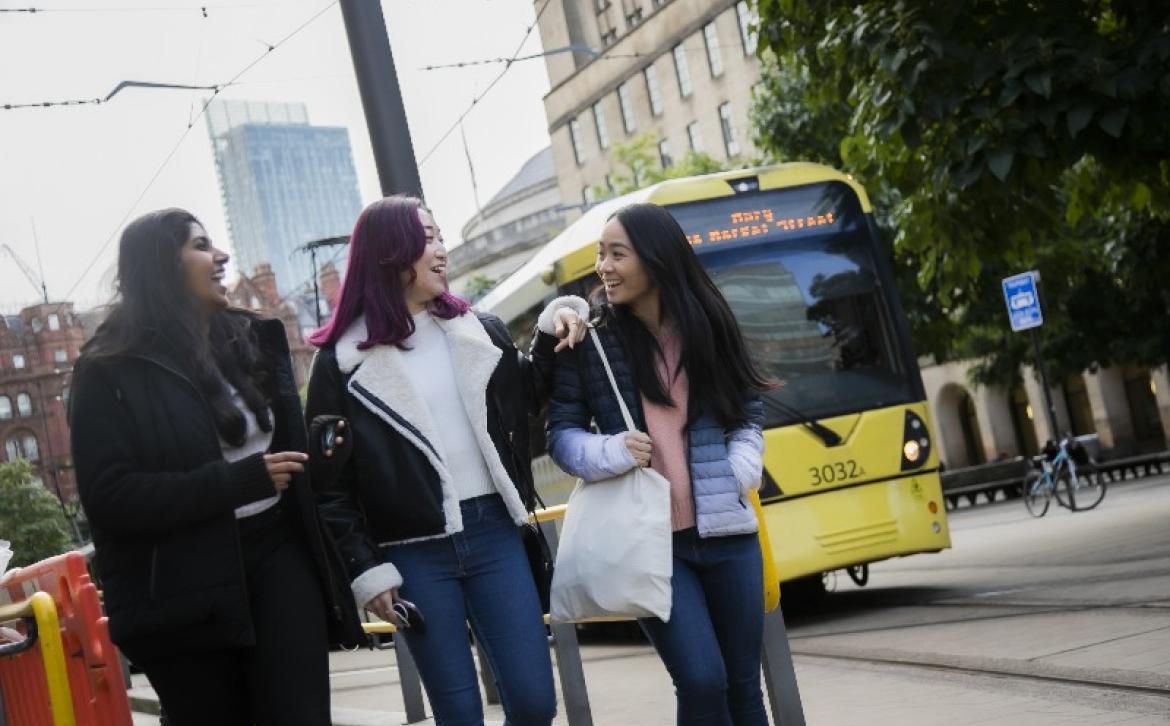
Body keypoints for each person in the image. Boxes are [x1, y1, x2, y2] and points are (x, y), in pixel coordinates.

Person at [68, 209, 364, 726]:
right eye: (202, 246)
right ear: (162, 266)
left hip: (278, 555)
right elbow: (110, 497)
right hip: (183, 590)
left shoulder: (250, 342)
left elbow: (279, 462)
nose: (223, 256)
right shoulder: (105, 370)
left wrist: (318, 463)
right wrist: (236, 482)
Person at [305, 195, 586, 726]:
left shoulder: (478, 330)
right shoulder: (340, 364)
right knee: (457, 712)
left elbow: (524, 401)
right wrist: (366, 569)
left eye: (440, 236)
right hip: (412, 554)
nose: (442, 250)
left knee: (533, 703)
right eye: (428, 238)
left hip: (493, 533)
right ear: (392, 252)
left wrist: (554, 326)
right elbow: (329, 489)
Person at [546, 203, 773, 726]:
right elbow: (560, 435)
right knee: (700, 679)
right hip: (653, 542)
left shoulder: (710, 325)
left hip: (728, 535)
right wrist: (611, 451)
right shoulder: (593, 341)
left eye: (616, 254)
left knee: (742, 687)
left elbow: (748, 412)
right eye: (601, 254)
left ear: (656, 258)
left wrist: (738, 468)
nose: (604, 266)